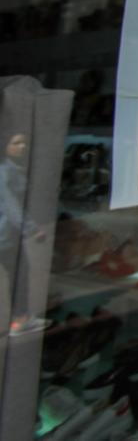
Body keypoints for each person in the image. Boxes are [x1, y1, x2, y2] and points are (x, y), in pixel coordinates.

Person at [1, 133, 46, 334]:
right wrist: (32, 229)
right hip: (5, 236)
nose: (22, 146)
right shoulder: (6, 172)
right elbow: (12, 206)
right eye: (16, 143)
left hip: (6, 234)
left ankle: (21, 318)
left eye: (24, 142)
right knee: (20, 275)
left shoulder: (11, 169)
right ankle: (20, 320)